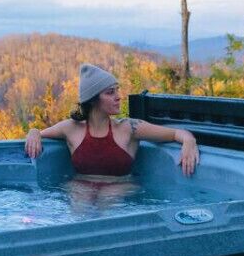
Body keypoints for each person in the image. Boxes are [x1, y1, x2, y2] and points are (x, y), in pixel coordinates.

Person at [24, 63, 200, 176]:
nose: (118, 97)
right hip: (79, 193)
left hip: (118, 196)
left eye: (117, 90)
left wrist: (189, 141)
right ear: (92, 99)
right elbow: (37, 133)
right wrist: (33, 133)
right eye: (110, 92)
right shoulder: (71, 128)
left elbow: (177, 133)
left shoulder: (130, 128)